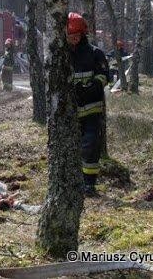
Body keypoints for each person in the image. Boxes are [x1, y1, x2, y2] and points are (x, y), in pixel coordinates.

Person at [67, 12, 109, 197]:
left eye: (76, 35)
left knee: (91, 147)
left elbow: (105, 76)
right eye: (70, 35)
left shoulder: (95, 53)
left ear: (83, 34)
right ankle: (72, 182)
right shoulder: (63, 55)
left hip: (92, 110)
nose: (73, 38)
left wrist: (91, 87)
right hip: (71, 112)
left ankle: (89, 185)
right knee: (71, 148)